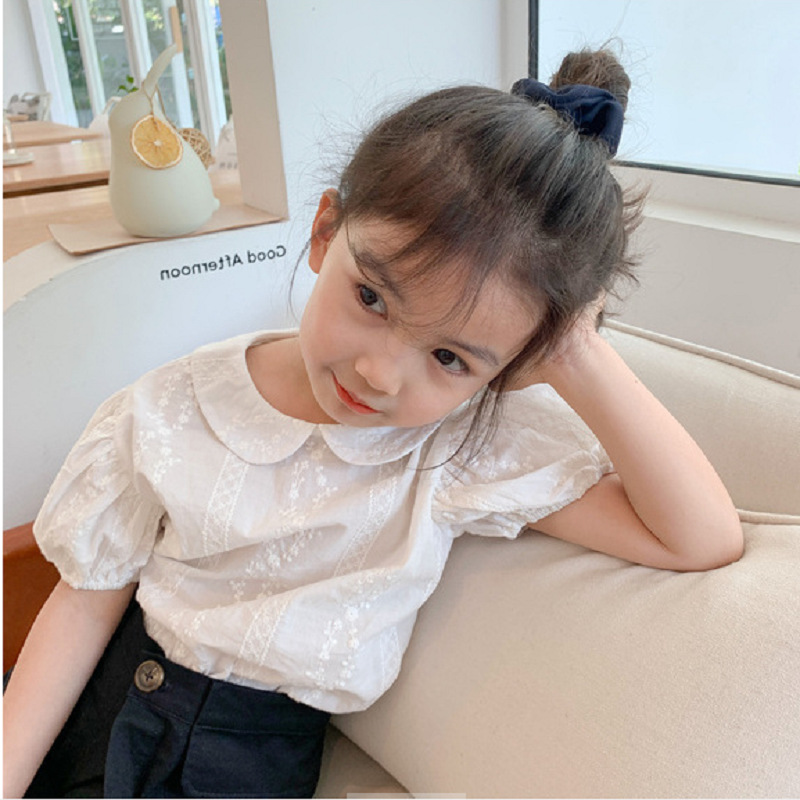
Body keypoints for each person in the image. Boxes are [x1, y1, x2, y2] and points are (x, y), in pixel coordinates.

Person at [3, 48, 743, 798]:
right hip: (102, 710)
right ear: (326, 232)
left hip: (244, 768)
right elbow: (84, 602)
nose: (379, 374)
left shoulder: (458, 451)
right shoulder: (174, 405)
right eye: (372, 299)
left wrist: (575, 349)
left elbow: (698, 537)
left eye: (450, 357)